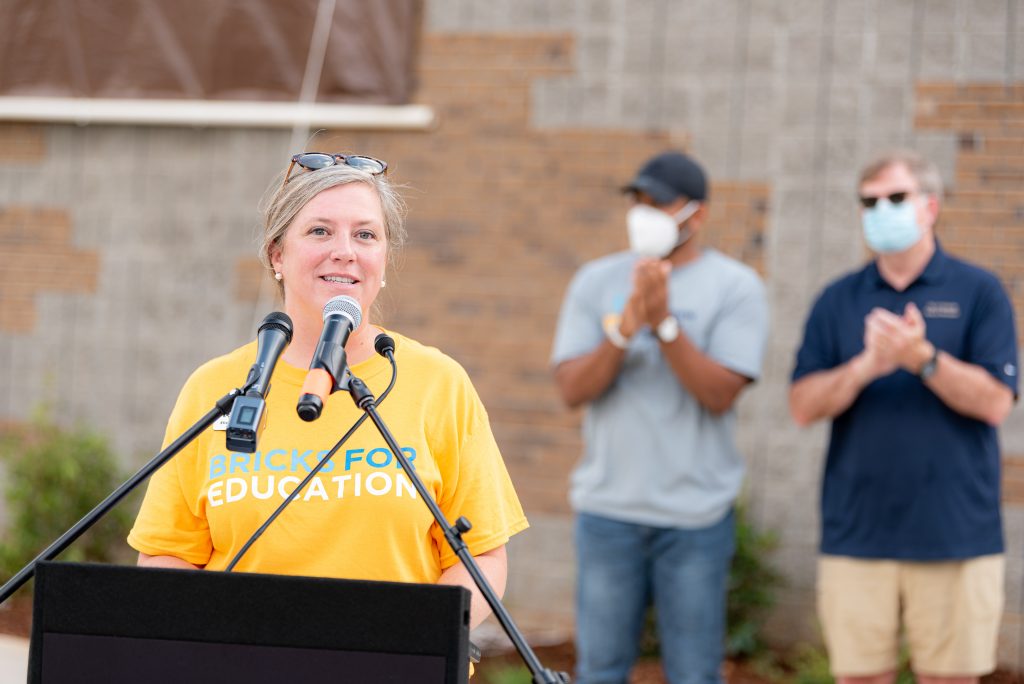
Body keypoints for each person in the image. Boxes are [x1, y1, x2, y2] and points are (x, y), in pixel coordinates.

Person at [128, 152, 528, 628]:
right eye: (320, 231)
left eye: (366, 234)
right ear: (278, 254)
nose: (346, 250)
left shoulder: (437, 383)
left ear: (384, 257)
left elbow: (482, 556)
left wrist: (414, 646)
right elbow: (166, 555)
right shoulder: (215, 387)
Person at [789, 149, 1017, 684]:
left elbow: (995, 402)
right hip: (858, 533)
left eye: (895, 197)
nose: (880, 210)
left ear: (930, 206)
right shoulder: (837, 299)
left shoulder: (979, 291)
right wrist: (866, 367)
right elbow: (801, 406)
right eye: (869, 202)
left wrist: (923, 360)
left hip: (954, 533)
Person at [550, 150, 769, 684]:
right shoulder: (595, 281)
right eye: (638, 202)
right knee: (600, 669)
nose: (644, 214)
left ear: (697, 215)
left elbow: (720, 393)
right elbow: (573, 389)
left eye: (659, 204)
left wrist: (665, 323)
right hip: (608, 514)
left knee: (694, 671)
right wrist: (625, 329)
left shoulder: (736, 287)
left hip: (695, 517)